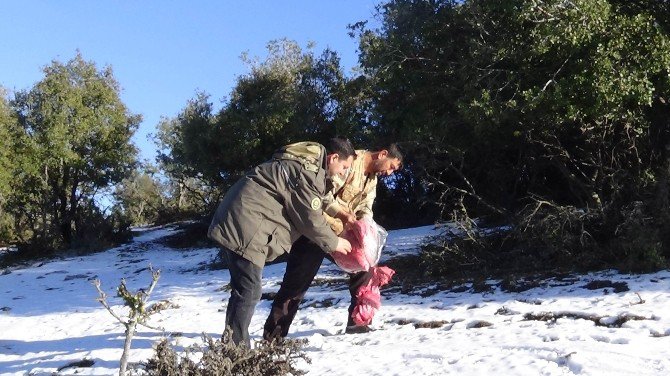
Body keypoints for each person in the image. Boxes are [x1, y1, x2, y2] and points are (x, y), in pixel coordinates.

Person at [208, 138, 356, 347]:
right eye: (344, 167)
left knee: (245, 288)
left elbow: (316, 198)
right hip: (246, 223)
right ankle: (236, 351)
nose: (343, 173)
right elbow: (310, 219)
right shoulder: (308, 171)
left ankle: (233, 346)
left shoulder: (304, 166)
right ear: (333, 158)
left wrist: (340, 213)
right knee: (249, 289)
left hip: (241, 218)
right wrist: (334, 243)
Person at [263, 143, 403, 340]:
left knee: (365, 267)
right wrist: (341, 213)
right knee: (296, 284)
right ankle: (274, 337)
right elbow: (322, 193)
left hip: (342, 233)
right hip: (315, 229)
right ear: (382, 154)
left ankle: (358, 325)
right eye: (391, 166)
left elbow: (366, 206)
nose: (390, 173)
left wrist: (365, 225)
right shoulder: (349, 162)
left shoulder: (371, 180)